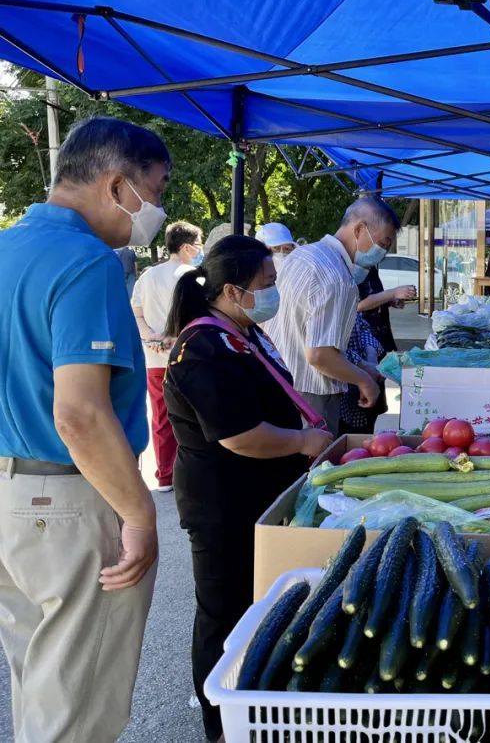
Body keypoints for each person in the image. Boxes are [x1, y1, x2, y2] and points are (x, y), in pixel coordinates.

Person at [0, 116, 164, 742]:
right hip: (64, 500)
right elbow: (79, 414)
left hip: (12, 494)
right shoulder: (87, 262)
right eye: (158, 188)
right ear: (118, 185)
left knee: (38, 683)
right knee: (75, 709)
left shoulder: (9, 246)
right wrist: (140, 516)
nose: (156, 208)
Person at [163, 235, 333, 742]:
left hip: (257, 497)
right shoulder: (202, 348)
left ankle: (257, 705)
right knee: (223, 612)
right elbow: (241, 436)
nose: (273, 293)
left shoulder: (241, 333)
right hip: (223, 506)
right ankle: (220, 724)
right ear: (234, 291)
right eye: (267, 285)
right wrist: (304, 439)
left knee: (259, 606)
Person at [266, 194, 392, 434]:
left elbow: (308, 334)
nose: (382, 253)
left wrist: (360, 366)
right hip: (310, 395)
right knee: (313, 467)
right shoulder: (337, 277)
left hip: (280, 382)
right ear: (360, 230)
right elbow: (320, 355)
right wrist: (365, 382)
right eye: (383, 244)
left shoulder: (303, 255)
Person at [131, 220, 203, 492]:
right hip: (187, 356)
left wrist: (153, 338)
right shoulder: (194, 275)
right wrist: (172, 338)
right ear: (185, 247)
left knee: (161, 417)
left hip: (155, 359)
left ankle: (164, 474)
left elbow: (136, 312)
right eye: (197, 245)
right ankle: (191, 474)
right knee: (193, 416)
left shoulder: (147, 276)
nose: (199, 250)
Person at [339, 266, 413, 434]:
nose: (382, 249)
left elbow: (361, 325)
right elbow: (325, 352)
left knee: (369, 416)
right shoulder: (343, 275)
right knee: (350, 427)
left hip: (370, 351)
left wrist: (371, 359)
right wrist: (364, 368)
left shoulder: (369, 269)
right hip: (348, 374)